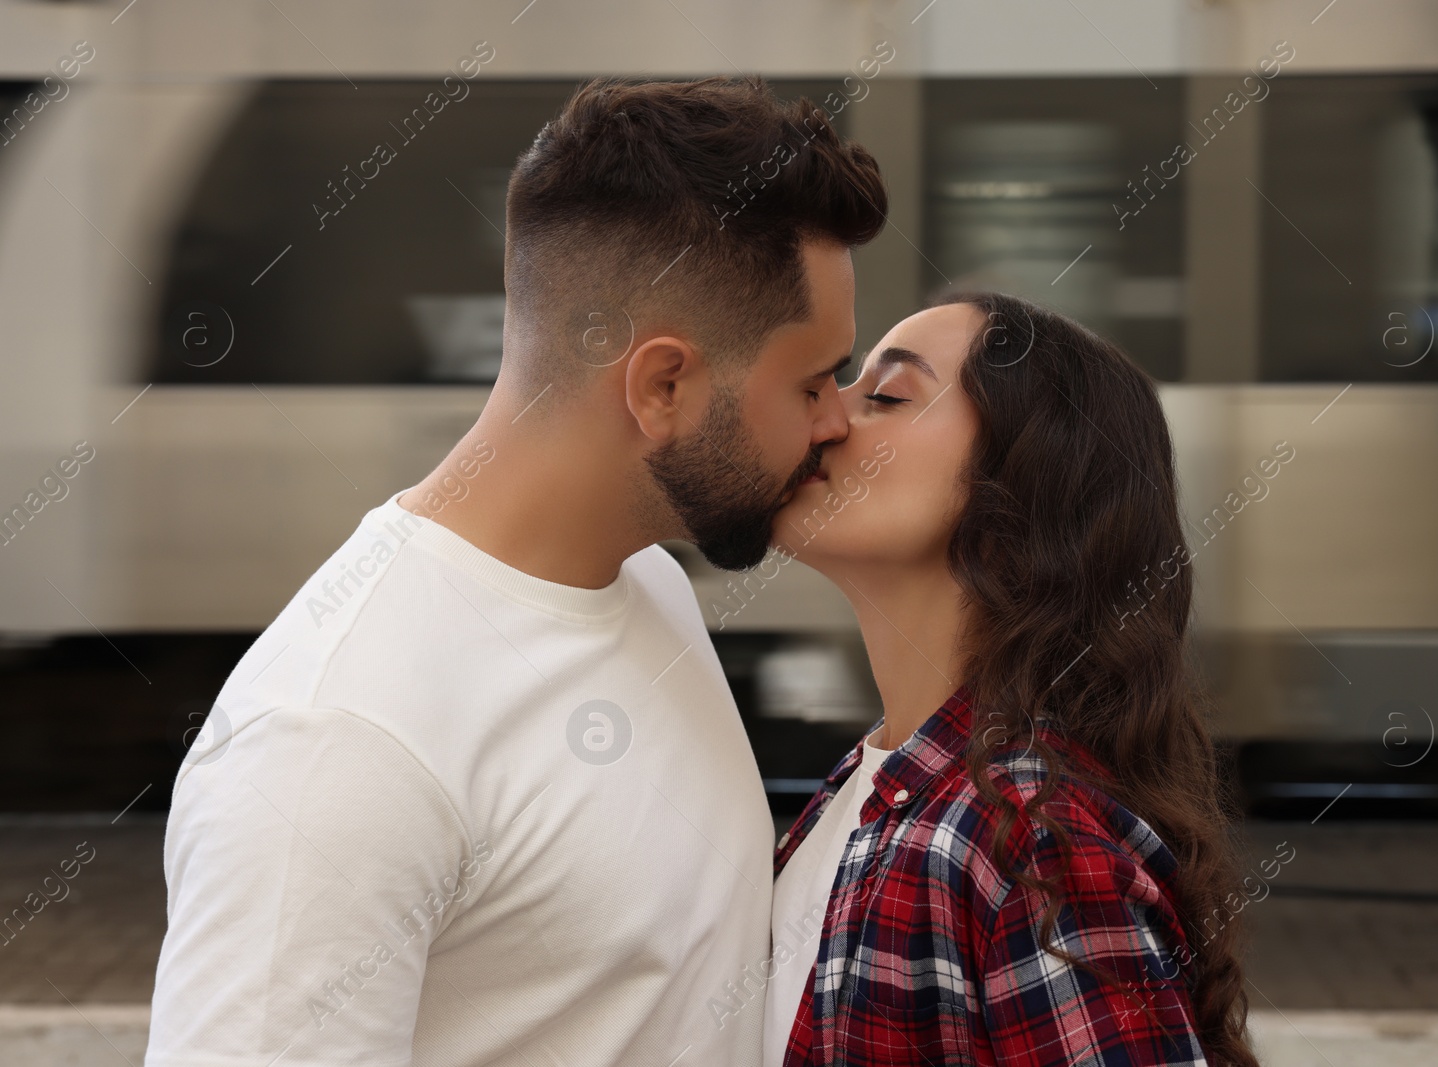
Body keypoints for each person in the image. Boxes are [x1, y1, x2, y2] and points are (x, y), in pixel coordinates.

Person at [145, 76, 885, 1067]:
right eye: (810, 381)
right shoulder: (336, 737)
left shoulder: (652, 587)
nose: (838, 419)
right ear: (663, 385)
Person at [763, 292, 1259, 1066]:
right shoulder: (862, 793)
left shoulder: (1033, 843)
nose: (825, 415)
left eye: (887, 396)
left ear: (1023, 489)